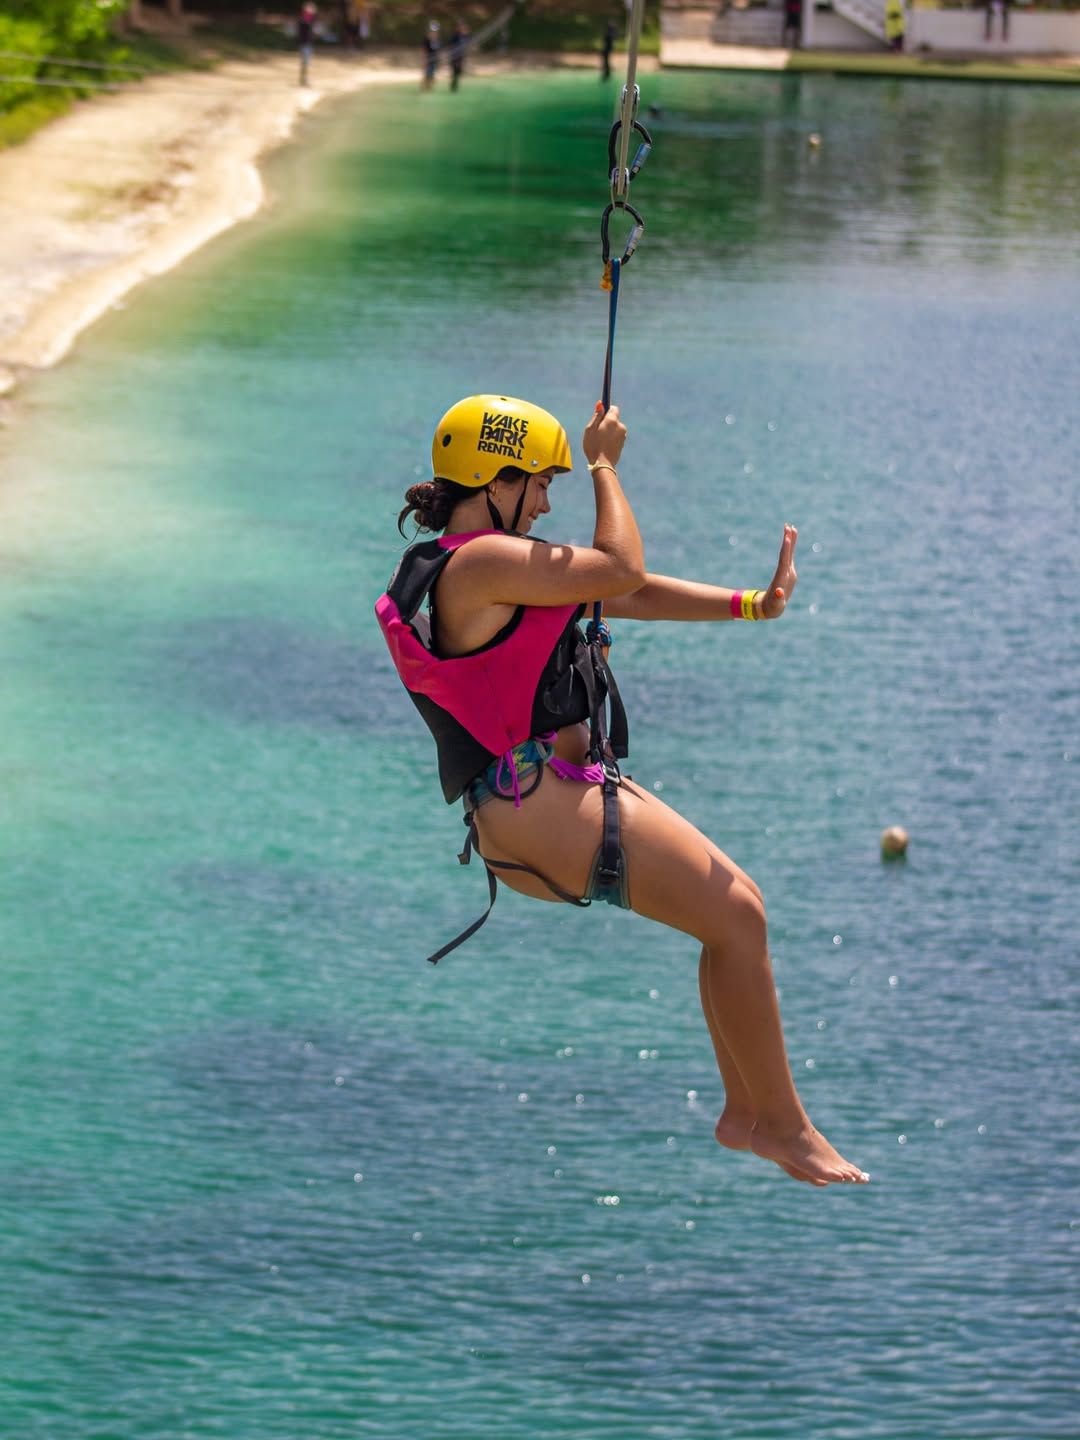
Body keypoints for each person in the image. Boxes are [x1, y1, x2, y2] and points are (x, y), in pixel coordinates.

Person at [376, 393, 870, 1189]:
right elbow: (621, 566)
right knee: (737, 916)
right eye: (537, 482)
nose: (544, 501)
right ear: (491, 478)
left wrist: (750, 605)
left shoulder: (499, 567)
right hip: (536, 807)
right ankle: (784, 1126)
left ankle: (751, 1114)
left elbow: (624, 594)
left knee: (741, 910)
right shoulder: (476, 565)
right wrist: (604, 463)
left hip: (553, 795)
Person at [297, 1, 317, 86]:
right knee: (305, 62)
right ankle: (303, 80)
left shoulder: (310, 20)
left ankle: (304, 79)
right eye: (310, 8)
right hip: (304, 43)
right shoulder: (303, 20)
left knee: (306, 62)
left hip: (308, 43)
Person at [448, 22, 470, 92]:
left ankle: (454, 84)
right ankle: (453, 85)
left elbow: (467, 44)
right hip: (455, 57)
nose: (462, 29)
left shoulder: (465, 36)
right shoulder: (455, 36)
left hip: (461, 56)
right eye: (461, 27)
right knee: (455, 71)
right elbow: (451, 46)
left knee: (459, 72)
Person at [422, 20, 440, 90]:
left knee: (432, 73)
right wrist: (424, 58)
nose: (434, 33)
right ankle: (425, 85)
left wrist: (438, 57)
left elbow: (437, 49)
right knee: (428, 73)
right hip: (429, 58)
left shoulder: (437, 40)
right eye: (432, 31)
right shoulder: (427, 39)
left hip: (435, 59)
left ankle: (429, 85)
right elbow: (424, 49)